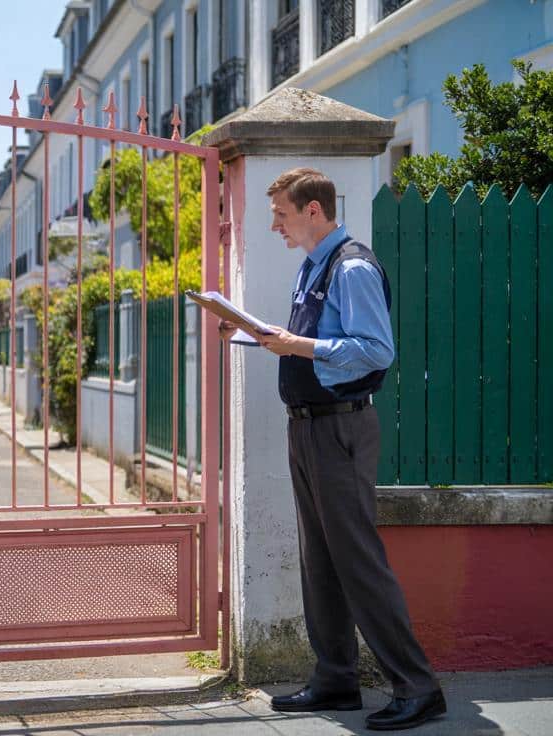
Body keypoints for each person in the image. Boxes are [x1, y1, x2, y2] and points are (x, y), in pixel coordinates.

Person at [223, 168, 446, 731]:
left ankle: (419, 688)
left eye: (282, 214)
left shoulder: (350, 266)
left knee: (358, 561)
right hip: (309, 427)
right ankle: (336, 680)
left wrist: (296, 344)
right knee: (319, 558)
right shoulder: (314, 267)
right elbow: (323, 342)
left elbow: (375, 350)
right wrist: (264, 335)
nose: (274, 224)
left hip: (340, 429)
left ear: (314, 211)